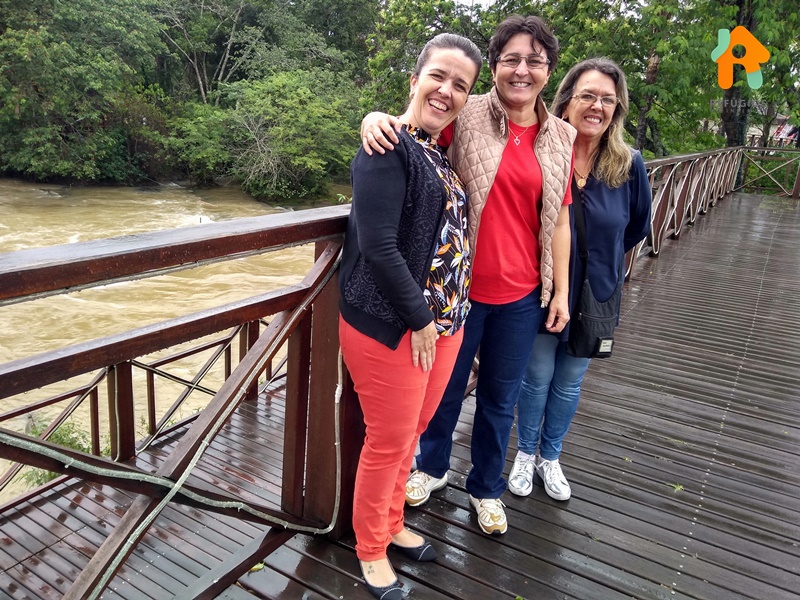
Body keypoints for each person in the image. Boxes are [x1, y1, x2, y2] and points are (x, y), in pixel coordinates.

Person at [361, 15, 575, 536]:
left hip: (522, 294)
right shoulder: (468, 110)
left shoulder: (561, 136)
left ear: (549, 71)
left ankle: (485, 488)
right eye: (510, 59)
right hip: (455, 291)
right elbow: (417, 128)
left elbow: (560, 219)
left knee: (501, 398)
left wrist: (561, 291)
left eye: (534, 61)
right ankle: (432, 467)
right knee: (443, 392)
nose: (522, 70)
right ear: (495, 66)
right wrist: (374, 118)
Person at [339, 33, 482, 600]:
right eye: (438, 76)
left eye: (460, 85)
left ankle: (393, 520)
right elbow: (377, 245)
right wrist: (421, 319)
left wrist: (441, 321)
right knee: (389, 438)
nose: (446, 91)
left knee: (414, 432)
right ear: (415, 79)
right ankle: (370, 547)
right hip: (395, 323)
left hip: (445, 325)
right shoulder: (386, 145)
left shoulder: (438, 152)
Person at [507, 58, 651, 501]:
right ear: (567, 100)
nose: (597, 106)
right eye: (588, 95)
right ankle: (525, 453)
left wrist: (597, 265)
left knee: (570, 380)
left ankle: (550, 457)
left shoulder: (629, 165)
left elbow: (636, 228)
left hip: (596, 295)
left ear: (617, 109)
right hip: (542, 288)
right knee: (536, 376)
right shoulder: (543, 153)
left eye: (608, 99)